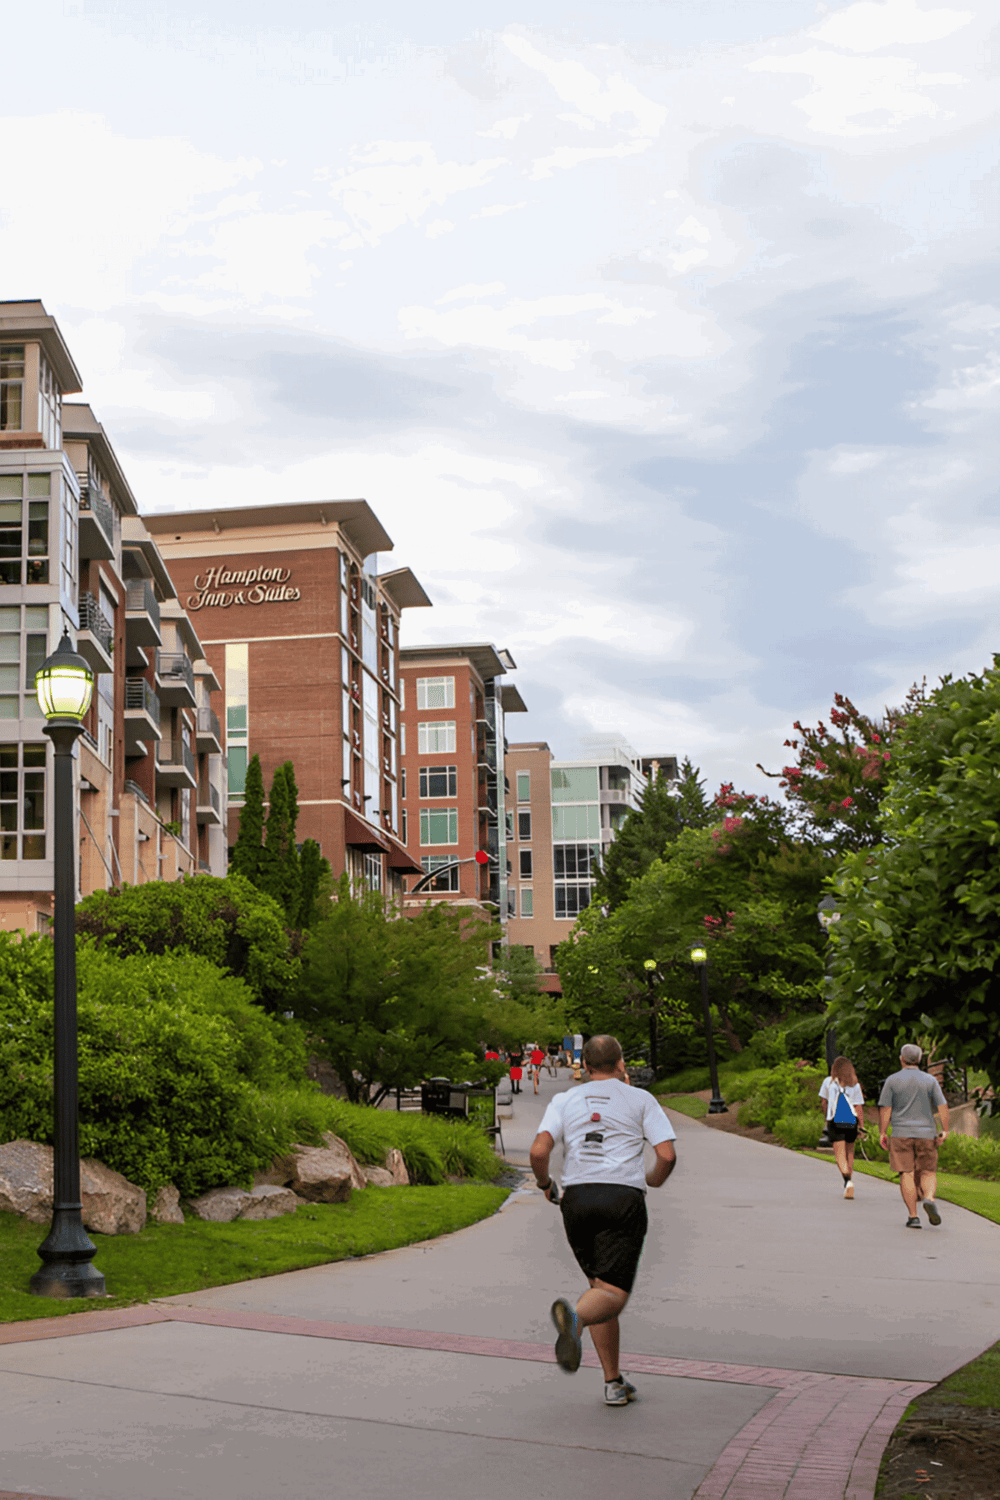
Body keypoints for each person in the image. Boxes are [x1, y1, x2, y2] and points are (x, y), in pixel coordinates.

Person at [529, 1033, 677, 1406]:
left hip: (577, 1200)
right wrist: (652, 1180)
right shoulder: (641, 1099)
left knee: (601, 1287)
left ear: (586, 1065)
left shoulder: (564, 1100)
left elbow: (538, 1150)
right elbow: (667, 1155)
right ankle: (575, 1321)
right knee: (612, 1294)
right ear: (621, 1062)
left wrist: (546, 1184)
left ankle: (613, 1382)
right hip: (620, 1198)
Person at [878, 1043, 950, 1228]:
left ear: (902, 1058)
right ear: (920, 1060)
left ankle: (913, 1216)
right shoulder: (930, 1080)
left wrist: (882, 1132)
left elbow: (886, 1109)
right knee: (928, 1171)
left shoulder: (892, 1080)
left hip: (901, 1133)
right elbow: (942, 1106)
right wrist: (944, 1130)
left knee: (907, 1173)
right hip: (927, 1134)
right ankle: (929, 1198)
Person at [818, 1056, 865, 1199]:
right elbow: (858, 1107)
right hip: (851, 1121)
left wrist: (827, 1117)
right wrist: (861, 1126)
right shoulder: (855, 1084)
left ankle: (847, 1181)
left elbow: (824, 1103)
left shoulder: (828, 1082)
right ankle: (849, 1182)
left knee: (839, 1154)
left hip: (835, 1121)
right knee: (850, 1152)